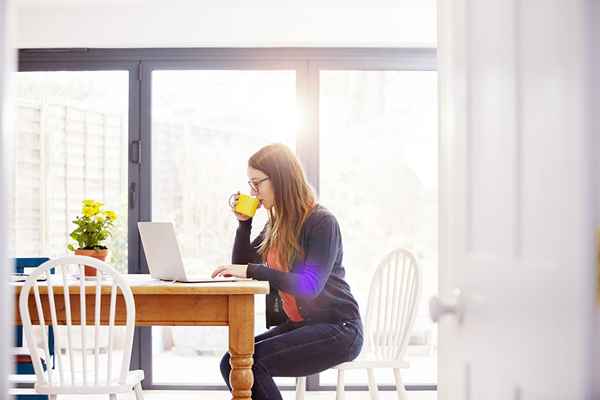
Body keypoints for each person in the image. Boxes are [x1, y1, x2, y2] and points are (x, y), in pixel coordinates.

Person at [212, 143, 363, 400]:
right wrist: (244, 223)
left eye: (257, 183)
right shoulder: (277, 223)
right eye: (250, 184)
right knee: (232, 362)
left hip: (340, 328)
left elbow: (309, 285)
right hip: (304, 325)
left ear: (280, 179)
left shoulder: (321, 222)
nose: (253, 191)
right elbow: (242, 266)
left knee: (253, 363)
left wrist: (253, 270)